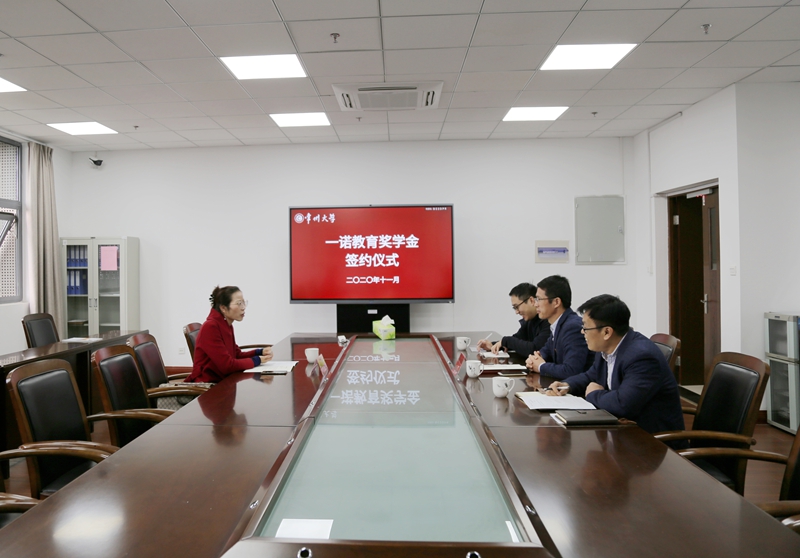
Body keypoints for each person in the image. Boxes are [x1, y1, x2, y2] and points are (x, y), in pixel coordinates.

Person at [545, 294, 685, 437]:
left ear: (607, 332)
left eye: (586, 327)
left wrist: (593, 394)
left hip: (651, 440)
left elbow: (623, 404)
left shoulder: (641, 356)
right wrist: (567, 385)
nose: (582, 332)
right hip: (623, 430)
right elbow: (591, 375)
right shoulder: (607, 347)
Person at [185, 285, 273, 384]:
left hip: (224, 381)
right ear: (223, 308)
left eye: (244, 303)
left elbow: (236, 355)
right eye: (239, 303)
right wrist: (257, 360)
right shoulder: (211, 327)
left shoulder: (226, 324)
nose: (243, 308)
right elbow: (227, 366)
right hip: (209, 386)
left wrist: (259, 352)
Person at [525, 275, 594, 380]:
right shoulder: (558, 324)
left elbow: (571, 371)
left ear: (556, 302)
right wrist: (534, 359)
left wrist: (540, 366)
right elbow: (546, 350)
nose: (535, 304)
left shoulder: (572, 327)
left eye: (539, 299)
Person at [476, 282, 550, 355]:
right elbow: (518, 340)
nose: (516, 312)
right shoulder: (529, 320)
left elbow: (535, 349)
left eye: (517, 307)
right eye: (514, 308)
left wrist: (506, 341)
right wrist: (493, 345)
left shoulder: (548, 321)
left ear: (531, 301)